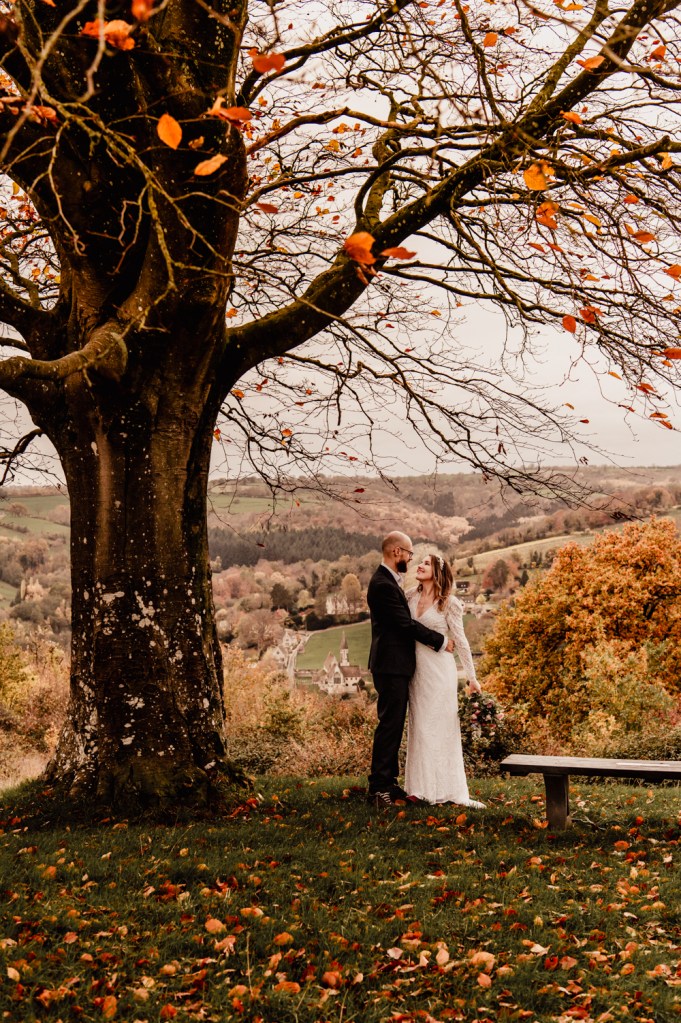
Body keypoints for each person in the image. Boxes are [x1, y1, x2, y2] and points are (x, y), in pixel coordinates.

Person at [367, 531, 455, 809]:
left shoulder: (391, 582)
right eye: (408, 553)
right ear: (396, 552)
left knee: (394, 724)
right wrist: (439, 640)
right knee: (390, 725)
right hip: (391, 665)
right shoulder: (382, 584)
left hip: (396, 665)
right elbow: (405, 624)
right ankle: (379, 787)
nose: (409, 558)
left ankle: (388, 782)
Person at [404, 553, 485, 807]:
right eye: (420, 562)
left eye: (426, 563)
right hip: (416, 673)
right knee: (420, 728)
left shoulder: (448, 603)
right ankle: (420, 788)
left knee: (439, 728)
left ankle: (448, 789)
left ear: (437, 572)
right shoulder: (410, 596)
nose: (419, 565)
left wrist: (472, 678)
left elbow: (461, 641)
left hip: (440, 673)